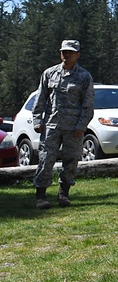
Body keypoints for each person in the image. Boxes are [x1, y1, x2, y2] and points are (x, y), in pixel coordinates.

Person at [31, 39, 94, 210]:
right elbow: (40, 99)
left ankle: (64, 193)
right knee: (45, 160)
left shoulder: (84, 76)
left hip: (73, 128)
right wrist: (37, 120)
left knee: (71, 161)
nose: (66, 55)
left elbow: (88, 105)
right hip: (51, 126)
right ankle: (41, 196)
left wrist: (81, 126)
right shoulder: (49, 74)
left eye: (70, 52)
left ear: (77, 55)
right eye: (64, 51)